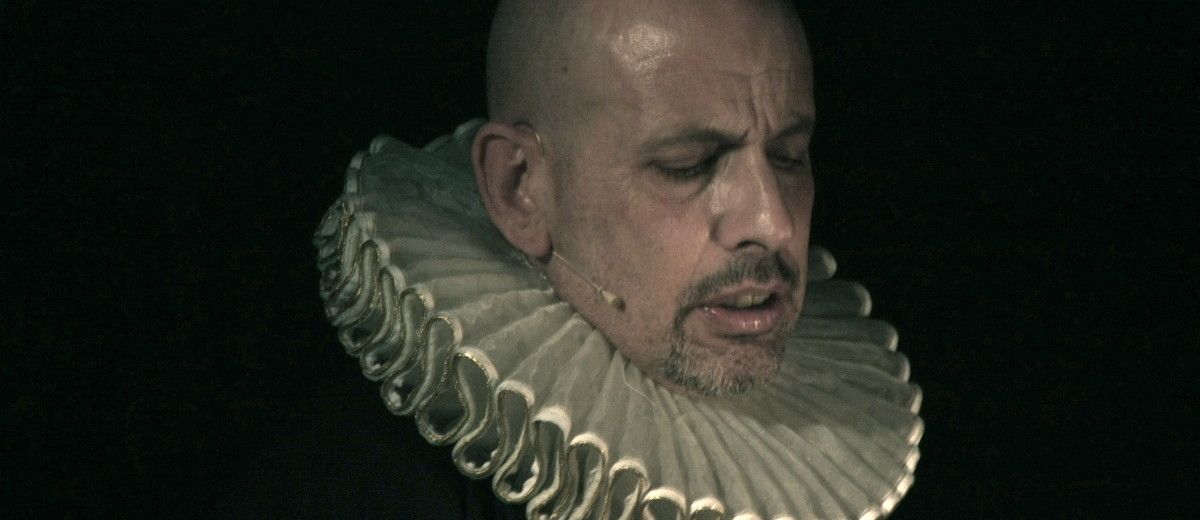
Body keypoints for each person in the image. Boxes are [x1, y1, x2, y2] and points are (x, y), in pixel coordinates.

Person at [312, 0, 923, 518]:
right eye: (688, 165)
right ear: (519, 188)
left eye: (789, 156)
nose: (774, 223)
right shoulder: (361, 481)